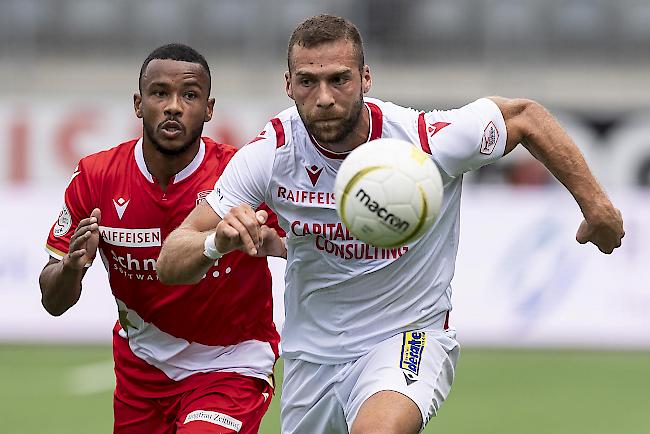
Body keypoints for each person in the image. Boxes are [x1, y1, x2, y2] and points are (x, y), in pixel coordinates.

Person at [156, 15, 625, 434]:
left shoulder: (424, 140)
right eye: (307, 82)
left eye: (339, 79)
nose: (323, 98)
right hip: (311, 358)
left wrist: (597, 207)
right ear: (288, 84)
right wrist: (217, 241)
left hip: (408, 337)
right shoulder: (272, 153)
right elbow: (170, 261)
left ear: (365, 77)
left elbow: (524, 117)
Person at [39, 43, 285, 434]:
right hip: (142, 368)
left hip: (230, 364)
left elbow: (309, 244)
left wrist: (276, 242)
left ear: (209, 108)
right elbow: (53, 302)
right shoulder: (96, 177)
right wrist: (71, 268)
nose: (174, 106)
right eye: (160, 93)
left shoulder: (241, 174)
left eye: (189, 95)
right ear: (139, 104)